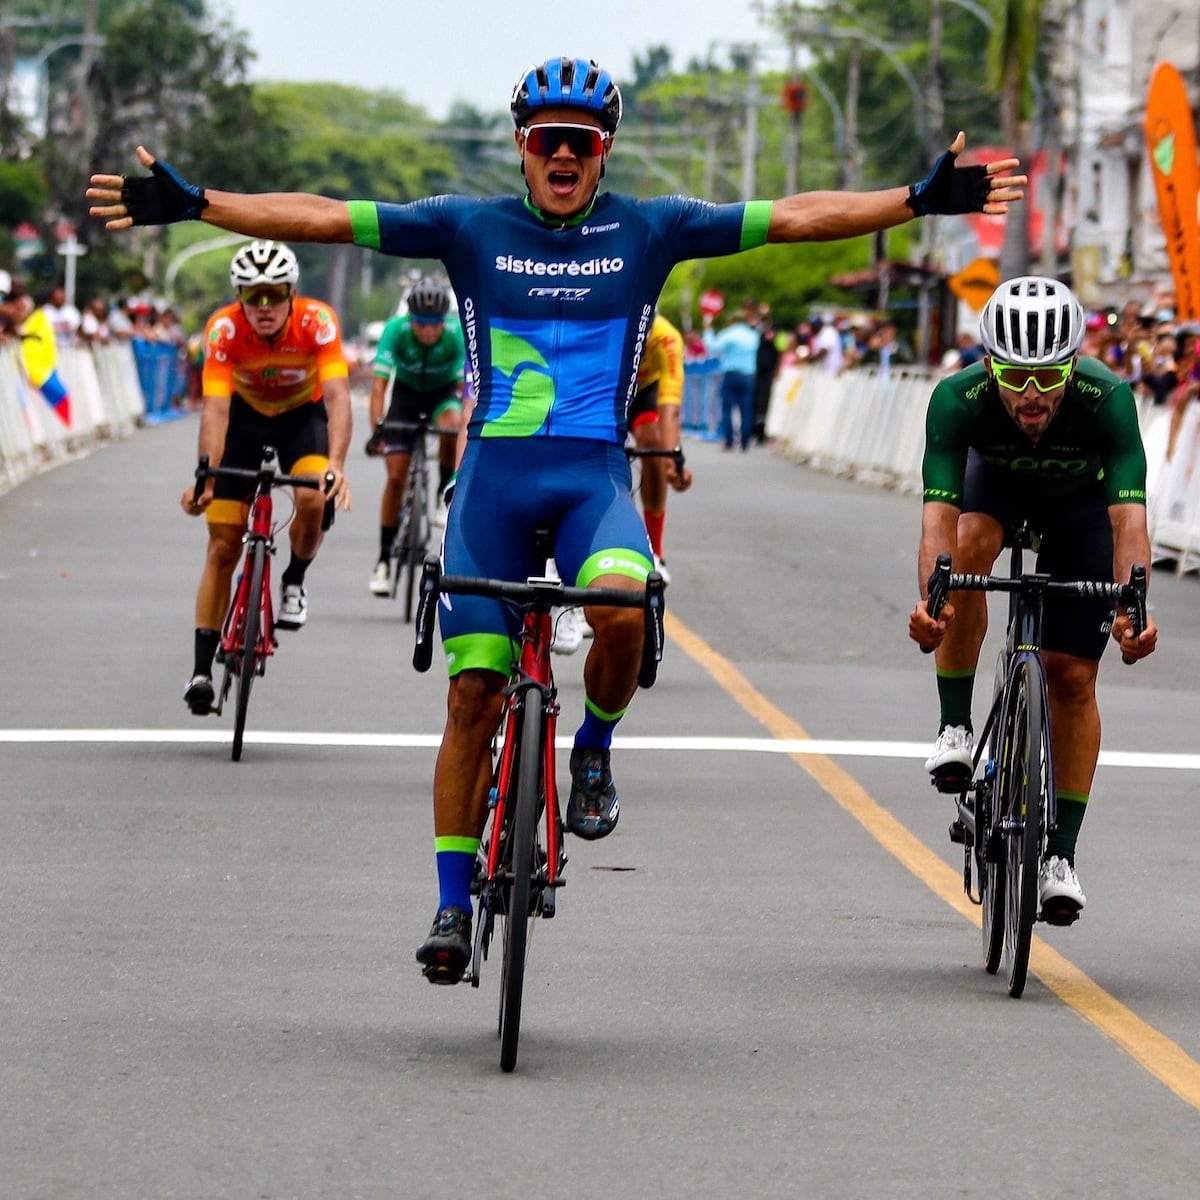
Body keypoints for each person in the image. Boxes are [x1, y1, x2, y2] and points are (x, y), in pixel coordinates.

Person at [89, 54, 1025, 982]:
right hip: (494, 480)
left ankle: (594, 750)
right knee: (472, 694)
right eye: (549, 142)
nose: (565, 155)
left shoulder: (655, 229)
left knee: (622, 605)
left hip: (591, 481)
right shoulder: (467, 227)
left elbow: (794, 219)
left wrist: (914, 200)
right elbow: (325, 217)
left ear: (604, 150)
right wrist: (202, 205)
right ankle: (453, 904)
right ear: (524, 149)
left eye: (582, 142)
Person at [908, 276, 1158, 925]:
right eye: (1015, 376)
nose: (1031, 394)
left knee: (1071, 676)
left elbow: (1129, 525)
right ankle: (956, 725)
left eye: (1049, 377)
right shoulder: (957, 398)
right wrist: (933, 602)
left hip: (1082, 511)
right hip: (995, 493)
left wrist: (1134, 609)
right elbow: (938, 514)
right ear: (989, 364)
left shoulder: (1108, 399)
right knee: (967, 546)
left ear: (1073, 365)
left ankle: (1060, 855)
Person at [175, 240, 352, 715]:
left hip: (301, 419)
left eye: (274, 295)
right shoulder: (224, 328)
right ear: (239, 297)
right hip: (244, 421)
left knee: (314, 498)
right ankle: (200, 671)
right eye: (253, 296)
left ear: (292, 293)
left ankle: (294, 579)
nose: (265, 306)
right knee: (221, 547)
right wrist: (205, 475)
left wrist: (336, 463)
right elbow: (214, 408)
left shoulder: (317, 322)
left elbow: (336, 397)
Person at [365, 276, 464, 596]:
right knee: (395, 478)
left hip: (442, 395)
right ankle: (383, 559)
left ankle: (439, 493)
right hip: (405, 399)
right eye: (421, 322)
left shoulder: (456, 335)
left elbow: (467, 392)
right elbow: (379, 385)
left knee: (451, 426)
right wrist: (377, 429)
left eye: (435, 322)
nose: (428, 330)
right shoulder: (396, 330)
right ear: (411, 318)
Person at [627, 310, 693, 579]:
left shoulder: (667, 339)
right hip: (608, 390)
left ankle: (654, 549)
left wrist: (671, 460)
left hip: (644, 393)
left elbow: (669, 409)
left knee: (653, 442)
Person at [12, 286, 74, 426]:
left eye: (22, 308)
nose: (18, 312)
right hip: (24, 374)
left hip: (40, 373)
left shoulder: (39, 321)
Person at [703, 305, 760, 451]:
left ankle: (729, 441)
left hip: (731, 374)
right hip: (749, 375)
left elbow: (713, 347)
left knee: (728, 409)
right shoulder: (753, 336)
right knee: (746, 409)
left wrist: (708, 330)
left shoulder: (729, 334)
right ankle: (745, 442)